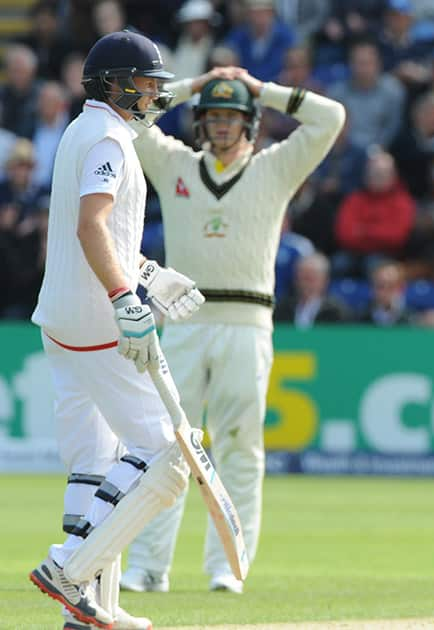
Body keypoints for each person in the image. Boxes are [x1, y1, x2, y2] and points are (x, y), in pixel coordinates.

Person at [119, 66, 346, 594]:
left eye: (232, 117)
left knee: (241, 448)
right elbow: (132, 120)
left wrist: (258, 89)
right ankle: (149, 567)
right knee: (169, 445)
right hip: (183, 323)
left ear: (251, 124)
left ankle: (227, 565)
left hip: (247, 325)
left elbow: (329, 117)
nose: (221, 127)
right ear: (201, 123)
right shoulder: (175, 163)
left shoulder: (274, 169)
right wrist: (195, 86)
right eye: (213, 117)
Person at [27, 31, 205, 630]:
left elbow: (96, 234)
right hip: (101, 321)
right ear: (115, 83)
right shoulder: (108, 138)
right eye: (147, 81)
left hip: (61, 320)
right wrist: (126, 297)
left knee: (95, 463)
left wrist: (147, 272)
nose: (155, 91)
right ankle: (71, 569)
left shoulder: (83, 131)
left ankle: (90, 610)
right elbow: (91, 226)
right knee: (166, 458)